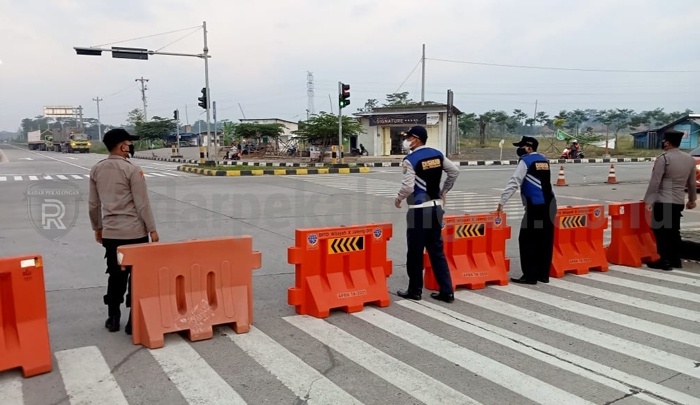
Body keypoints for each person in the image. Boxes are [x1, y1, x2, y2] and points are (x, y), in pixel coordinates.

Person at [89, 128, 159, 334]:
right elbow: (142, 203)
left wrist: (98, 228)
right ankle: (132, 322)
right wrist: (152, 229)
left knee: (115, 274)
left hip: (111, 235)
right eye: (128, 144)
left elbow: (93, 204)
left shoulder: (96, 169)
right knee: (136, 276)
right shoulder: (132, 169)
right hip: (135, 234)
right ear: (121, 146)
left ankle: (113, 318)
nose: (130, 147)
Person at [395, 126, 459, 302]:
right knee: (437, 251)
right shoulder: (437, 154)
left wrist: (399, 198)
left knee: (415, 252)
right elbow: (454, 171)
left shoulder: (410, 159)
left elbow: (408, 187)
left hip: (419, 211)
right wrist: (444, 190)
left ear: (416, 139)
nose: (406, 140)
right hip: (436, 207)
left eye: (408, 137)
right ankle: (447, 291)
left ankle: (414, 290)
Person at [497, 136, 556, 284]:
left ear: (529, 148)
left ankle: (530, 275)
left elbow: (514, 181)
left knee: (527, 239)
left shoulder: (526, 161)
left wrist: (502, 202)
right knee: (545, 239)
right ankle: (543, 274)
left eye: (522, 147)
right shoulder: (544, 160)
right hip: (550, 205)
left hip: (535, 206)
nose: (520, 149)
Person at [644, 130, 697, 270]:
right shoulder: (689, 159)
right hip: (678, 202)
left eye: (664, 141)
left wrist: (648, 201)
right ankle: (676, 260)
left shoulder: (664, 159)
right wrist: (692, 200)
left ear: (667, 142)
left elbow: (655, 182)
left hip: (663, 201)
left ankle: (664, 260)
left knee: (660, 231)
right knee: (673, 231)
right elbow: (692, 183)